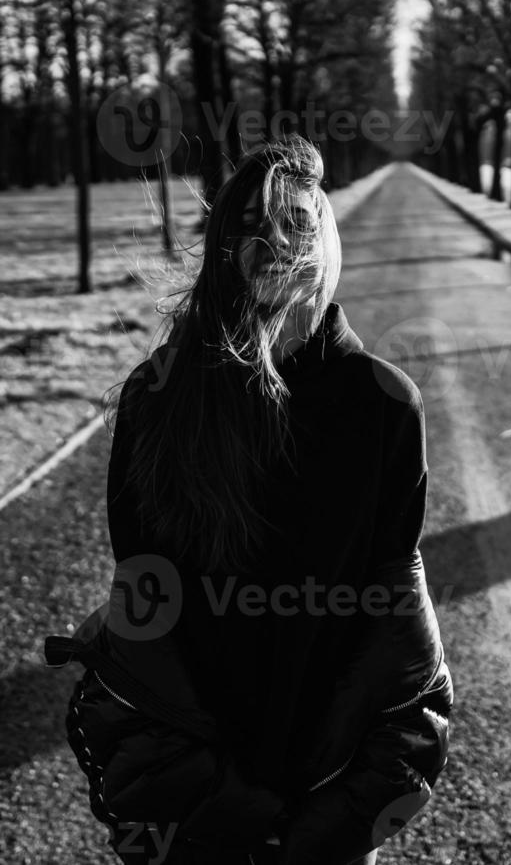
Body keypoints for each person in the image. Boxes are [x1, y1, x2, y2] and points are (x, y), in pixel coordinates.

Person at [94, 135, 453, 864]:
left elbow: (396, 629)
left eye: (295, 226)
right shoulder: (160, 395)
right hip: (190, 795)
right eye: (258, 231)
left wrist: (338, 813)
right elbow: (142, 618)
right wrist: (206, 801)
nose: (279, 249)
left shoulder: (383, 406)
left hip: (329, 784)